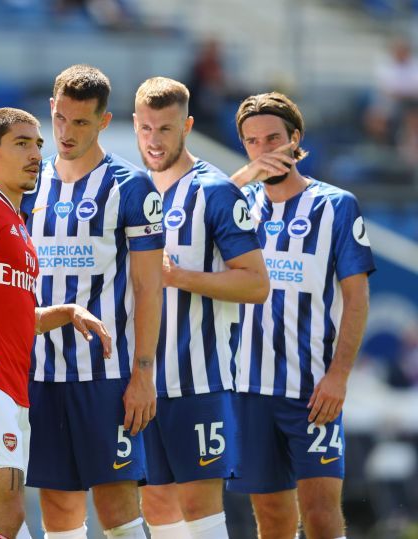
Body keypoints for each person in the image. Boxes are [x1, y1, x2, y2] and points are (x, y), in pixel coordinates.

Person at [0, 107, 111, 539]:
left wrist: (65, 313)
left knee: (3, 521)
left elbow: (10, 319)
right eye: (21, 143)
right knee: (6, 517)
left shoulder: (16, 224)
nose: (35, 154)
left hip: (11, 387)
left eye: (37, 144)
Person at [19, 64, 164, 539]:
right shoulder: (28, 184)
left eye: (80, 122)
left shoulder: (130, 185)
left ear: (104, 122)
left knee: (117, 505)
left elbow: (148, 288)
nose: (65, 132)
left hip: (106, 375)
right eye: (60, 118)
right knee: (59, 510)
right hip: (40, 372)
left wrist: (143, 373)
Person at [227, 92, 375, 539]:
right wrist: (245, 176)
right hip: (248, 389)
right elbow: (190, 214)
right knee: (271, 517)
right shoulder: (237, 206)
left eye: (273, 138)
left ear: (296, 139)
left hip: (312, 390)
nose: (264, 149)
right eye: (252, 142)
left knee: (320, 514)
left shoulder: (336, 206)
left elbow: (357, 299)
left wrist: (339, 376)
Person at [133, 77, 269, 539]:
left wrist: (178, 276)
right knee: (153, 498)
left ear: (187, 126)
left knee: (198, 503)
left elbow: (255, 283)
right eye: (147, 128)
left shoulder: (215, 191)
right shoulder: (131, 192)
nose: (154, 140)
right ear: (134, 125)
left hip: (200, 378)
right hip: (143, 382)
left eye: (166, 129)